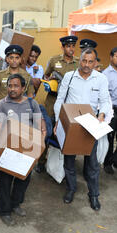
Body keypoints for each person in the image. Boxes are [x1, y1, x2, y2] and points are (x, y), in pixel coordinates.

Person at [54, 48, 110, 211]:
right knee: (69, 161)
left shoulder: (101, 79)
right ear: (80, 60)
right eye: (84, 61)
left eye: (90, 61)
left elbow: (105, 101)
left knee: (92, 163)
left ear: (96, 62)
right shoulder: (69, 77)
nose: (86, 65)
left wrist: (102, 116)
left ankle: (93, 195)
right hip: (70, 124)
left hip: (90, 125)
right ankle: (71, 188)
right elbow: (60, 99)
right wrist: (59, 120)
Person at [0, 74, 46, 226]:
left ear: (23, 88)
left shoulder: (32, 104)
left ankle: (16, 204)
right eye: (9, 86)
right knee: (5, 182)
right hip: (8, 149)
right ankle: (5, 211)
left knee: (23, 179)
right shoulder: (2, 104)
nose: (12, 89)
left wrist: (42, 133)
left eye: (15, 86)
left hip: (27, 149)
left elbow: (39, 122)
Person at [37, 36, 78, 173]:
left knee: (67, 133)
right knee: (47, 132)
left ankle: (64, 164)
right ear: (63, 47)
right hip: (52, 102)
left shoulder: (78, 63)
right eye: (68, 46)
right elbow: (45, 76)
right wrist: (49, 81)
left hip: (69, 104)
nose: (71, 49)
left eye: (73, 46)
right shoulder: (54, 61)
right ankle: (41, 161)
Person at [0, 45, 32, 113]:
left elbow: (30, 95)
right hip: (3, 110)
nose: (14, 60)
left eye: (17, 58)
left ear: (21, 59)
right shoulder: (0, 74)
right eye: (11, 58)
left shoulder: (27, 76)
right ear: (7, 59)